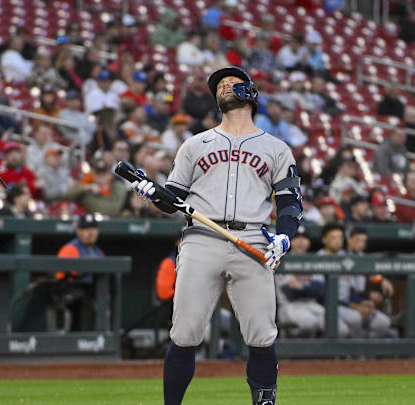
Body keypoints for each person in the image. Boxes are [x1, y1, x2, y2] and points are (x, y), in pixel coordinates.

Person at [132, 67, 302, 405]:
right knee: (184, 333)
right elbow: (172, 200)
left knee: (261, 335)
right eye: (218, 86)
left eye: (231, 83)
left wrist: (284, 237)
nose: (223, 86)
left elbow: (289, 202)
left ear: (250, 92)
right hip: (201, 238)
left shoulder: (276, 148)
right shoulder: (195, 144)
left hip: (253, 238)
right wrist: (153, 193)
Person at [48, 214, 103, 331]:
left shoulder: (98, 252)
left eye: (93, 229)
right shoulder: (71, 249)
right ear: (78, 231)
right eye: (86, 229)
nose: (90, 233)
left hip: (94, 295)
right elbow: (58, 279)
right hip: (74, 299)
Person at [275, 228, 326, 337]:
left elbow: (321, 289)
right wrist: (310, 288)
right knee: (310, 322)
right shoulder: (282, 261)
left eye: (304, 239)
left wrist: (301, 287)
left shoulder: (313, 261)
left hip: (312, 304)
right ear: (290, 242)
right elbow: (290, 292)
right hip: (289, 305)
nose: (301, 242)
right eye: (297, 238)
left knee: (334, 323)